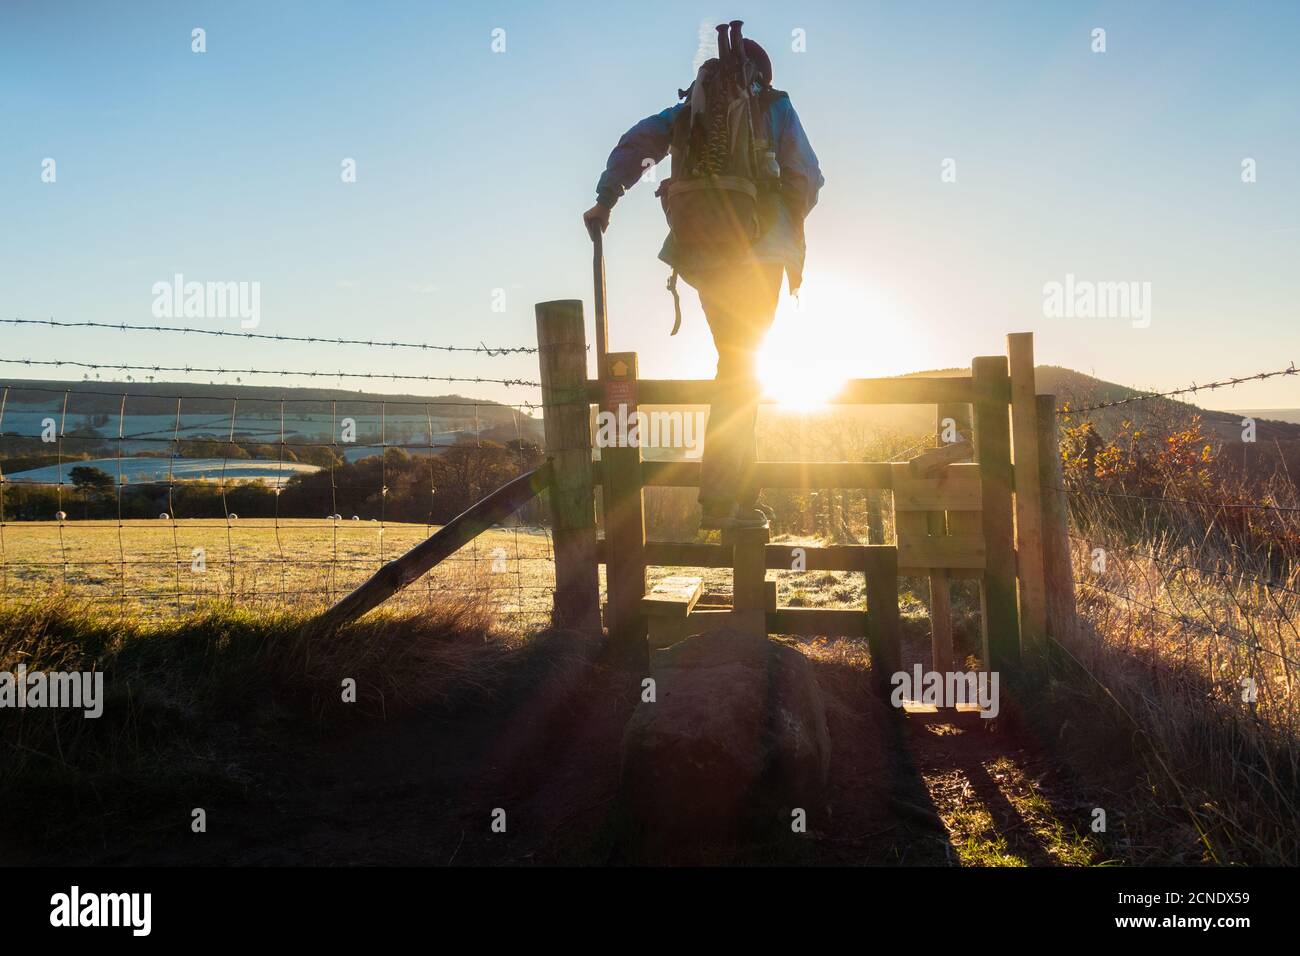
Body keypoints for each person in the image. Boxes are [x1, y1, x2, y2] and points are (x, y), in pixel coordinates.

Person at [583, 33, 823, 530]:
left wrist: (607, 197)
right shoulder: (774, 106)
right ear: (762, 74)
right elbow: (808, 174)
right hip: (761, 257)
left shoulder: (690, 111)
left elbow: (638, 143)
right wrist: (783, 219)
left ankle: (735, 499)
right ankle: (724, 501)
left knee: (736, 365)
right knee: (742, 368)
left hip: (705, 255)